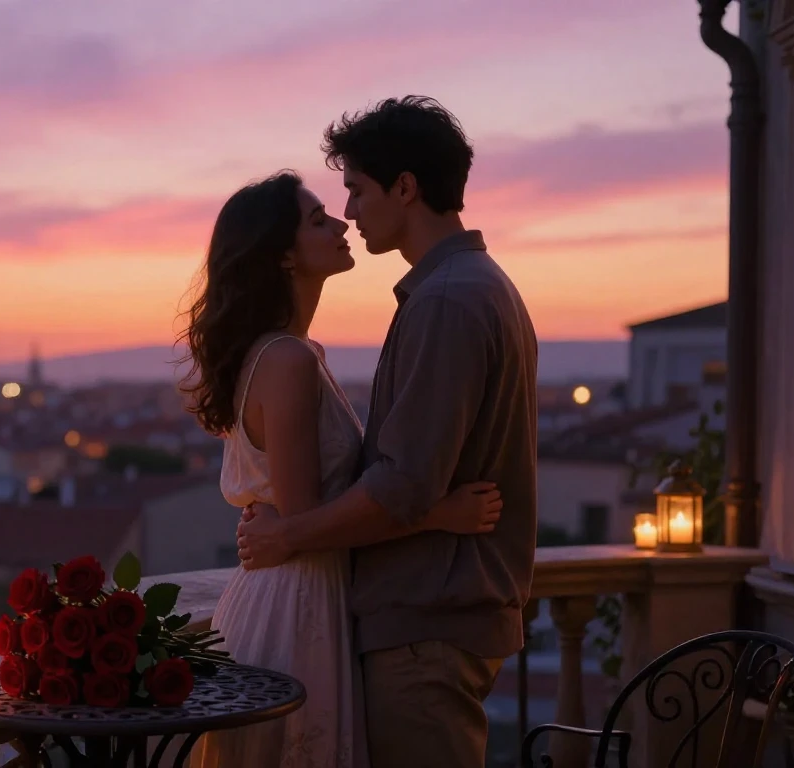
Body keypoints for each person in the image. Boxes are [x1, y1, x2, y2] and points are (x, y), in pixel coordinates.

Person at [236, 96, 540, 767]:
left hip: (425, 620)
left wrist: (284, 533)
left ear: (405, 188)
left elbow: (400, 484)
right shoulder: (473, 287)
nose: (349, 212)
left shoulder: (446, 301)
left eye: (356, 189)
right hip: (430, 615)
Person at [178, 169, 503, 768]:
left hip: (304, 591)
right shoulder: (288, 359)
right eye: (318, 219)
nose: (342, 222)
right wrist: (441, 513)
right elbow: (303, 518)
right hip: (296, 601)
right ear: (281, 256)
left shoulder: (296, 353)